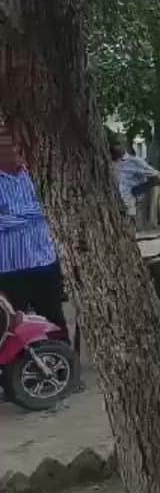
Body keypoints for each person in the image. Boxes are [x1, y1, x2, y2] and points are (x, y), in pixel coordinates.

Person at [0, 122, 68, 336]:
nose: (15, 150)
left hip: (44, 263)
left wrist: (10, 213)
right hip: (8, 270)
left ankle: (59, 368)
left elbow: (56, 207)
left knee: (54, 324)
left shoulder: (36, 176)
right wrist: (38, 212)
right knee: (12, 331)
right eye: (7, 145)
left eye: (17, 144)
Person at [110, 136, 160, 222]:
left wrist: (137, 191)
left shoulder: (133, 162)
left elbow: (157, 176)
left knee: (126, 223)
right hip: (113, 199)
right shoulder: (109, 163)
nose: (117, 147)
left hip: (126, 201)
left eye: (119, 144)